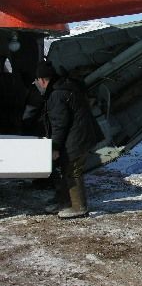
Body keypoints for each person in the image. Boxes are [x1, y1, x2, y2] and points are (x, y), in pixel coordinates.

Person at [35, 61, 99, 218]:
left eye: (36, 81)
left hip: (76, 138)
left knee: (72, 171)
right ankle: (64, 202)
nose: (37, 85)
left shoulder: (56, 94)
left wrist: (54, 147)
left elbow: (59, 124)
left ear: (42, 80)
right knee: (65, 170)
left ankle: (79, 207)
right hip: (78, 135)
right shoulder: (64, 86)